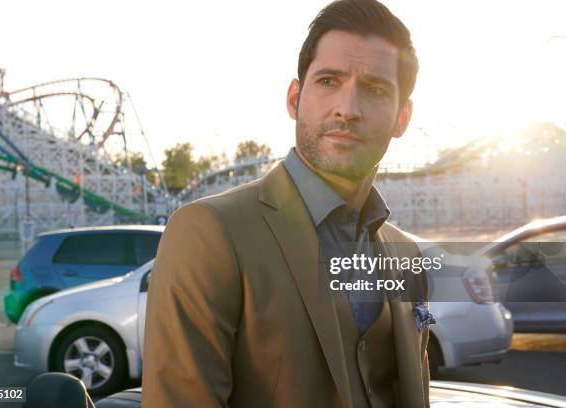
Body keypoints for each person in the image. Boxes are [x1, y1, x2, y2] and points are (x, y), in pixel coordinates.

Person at [143, 0, 432, 406]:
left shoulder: (407, 254)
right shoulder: (209, 232)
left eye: (374, 88)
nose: (347, 110)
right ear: (295, 98)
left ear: (402, 117)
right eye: (329, 81)